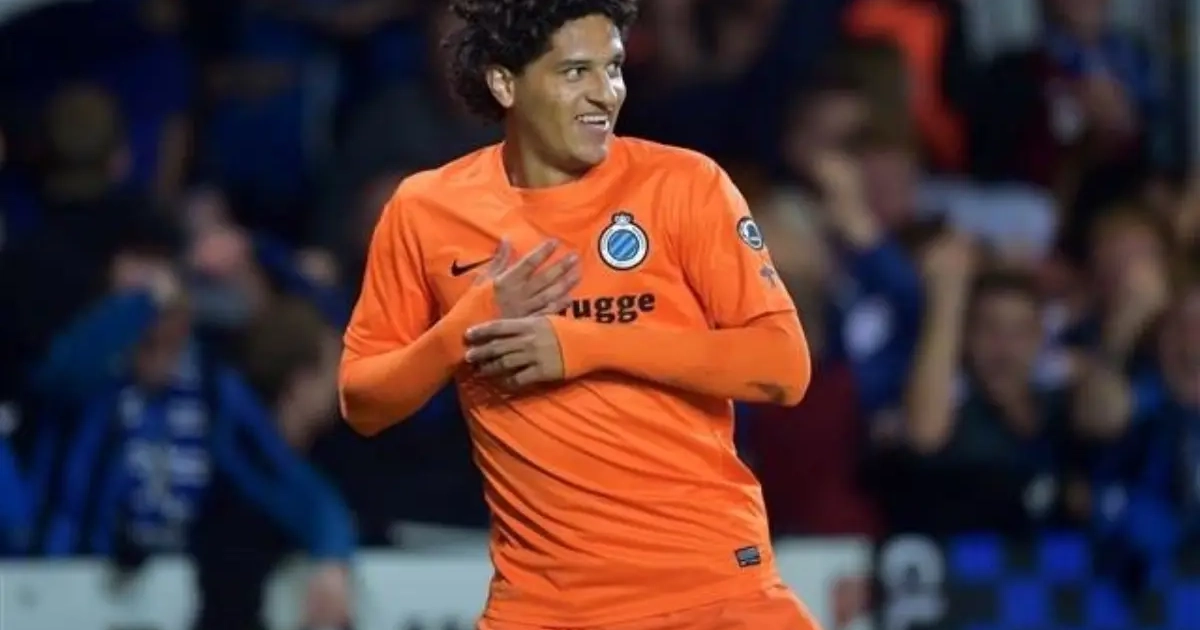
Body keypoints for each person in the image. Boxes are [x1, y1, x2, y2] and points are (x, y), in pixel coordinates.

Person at [338, 1, 815, 629]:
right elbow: (362, 402)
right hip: (546, 608)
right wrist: (462, 331)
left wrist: (583, 344)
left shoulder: (684, 184)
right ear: (505, 83)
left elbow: (783, 366)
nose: (605, 93)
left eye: (612, 68)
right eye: (575, 72)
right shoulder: (425, 210)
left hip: (712, 590)